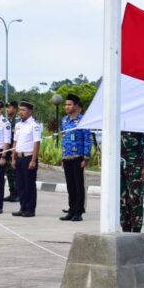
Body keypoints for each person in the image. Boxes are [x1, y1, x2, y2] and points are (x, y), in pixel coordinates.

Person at [59, 94, 92, 222]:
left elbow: (87, 139)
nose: (66, 107)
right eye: (66, 104)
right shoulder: (64, 120)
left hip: (78, 157)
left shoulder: (83, 120)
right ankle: (71, 210)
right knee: (70, 186)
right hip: (67, 156)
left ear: (76, 106)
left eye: (69, 104)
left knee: (79, 186)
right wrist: (62, 156)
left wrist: (86, 157)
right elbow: (64, 138)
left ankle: (78, 212)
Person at [11, 100, 41, 217]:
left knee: (29, 185)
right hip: (19, 157)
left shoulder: (34, 125)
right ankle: (22, 207)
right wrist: (13, 158)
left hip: (28, 157)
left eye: (23, 110)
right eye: (20, 110)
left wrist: (33, 160)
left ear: (29, 111)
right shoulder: (18, 125)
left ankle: (30, 209)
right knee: (20, 185)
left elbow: (36, 143)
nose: (20, 112)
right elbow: (15, 142)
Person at [120, 132, 144, 232]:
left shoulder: (138, 120)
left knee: (135, 197)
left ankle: (136, 229)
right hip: (118, 162)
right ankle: (125, 227)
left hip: (135, 163)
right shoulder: (117, 119)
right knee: (121, 197)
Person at [4, 101, 21, 202]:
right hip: (8, 150)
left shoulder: (17, 121)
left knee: (15, 172)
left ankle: (17, 193)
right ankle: (12, 193)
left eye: (10, 107)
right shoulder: (6, 121)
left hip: (14, 150)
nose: (8, 109)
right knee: (9, 173)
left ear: (15, 109)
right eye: (7, 107)